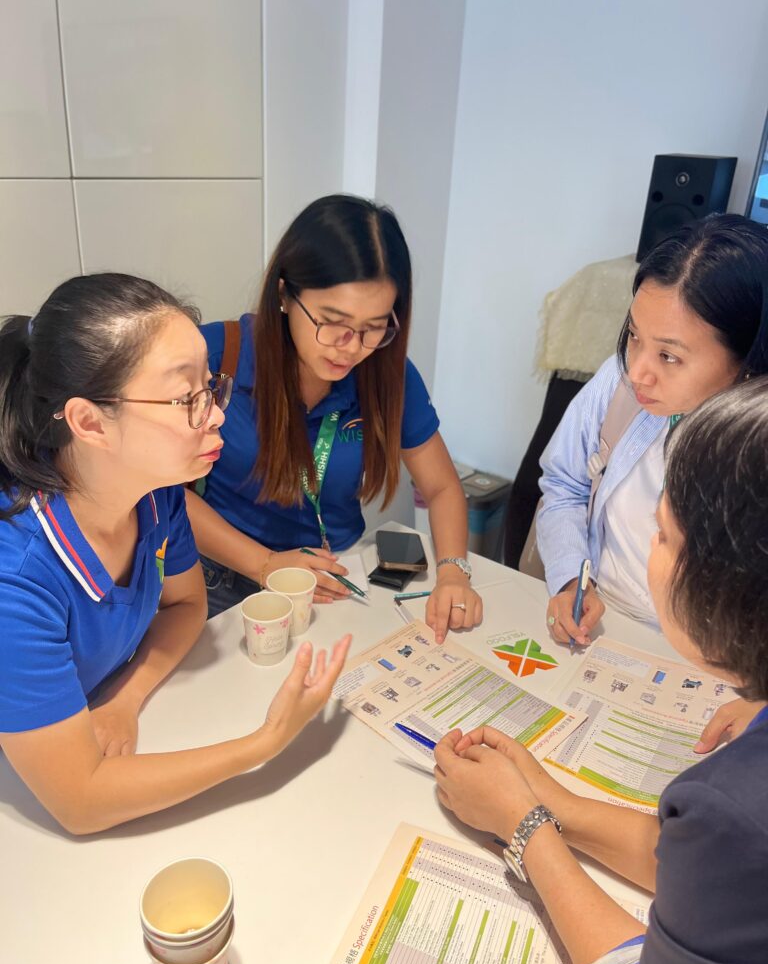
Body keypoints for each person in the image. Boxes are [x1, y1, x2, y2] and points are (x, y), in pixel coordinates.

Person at [434, 378, 768, 964]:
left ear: (729, 581)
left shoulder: (736, 803)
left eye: (662, 533)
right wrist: (553, 803)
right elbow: (709, 871)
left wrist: (525, 827)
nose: (646, 547)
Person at [0, 274, 349, 835]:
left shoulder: (156, 494)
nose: (214, 415)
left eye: (211, 388)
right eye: (187, 398)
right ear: (89, 421)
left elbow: (185, 607)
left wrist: (125, 699)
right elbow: (80, 802)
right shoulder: (16, 580)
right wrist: (264, 743)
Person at [186, 194, 482, 642]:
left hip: (334, 579)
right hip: (218, 582)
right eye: (332, 320)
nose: (350, 345)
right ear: (285, 294)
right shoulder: (213, 356)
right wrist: (264, 564)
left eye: (374, 327)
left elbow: (440, 487)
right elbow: (158, 494)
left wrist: (454, 571)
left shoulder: (387, 374)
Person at [537, 214, 768, 737]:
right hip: (604, 635)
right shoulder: (620, 385)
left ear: (746, 361)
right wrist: (572, 575)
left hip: (724, 680)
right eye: (634, 337)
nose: (639, 370)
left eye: (669, 355)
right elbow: (565, 486)